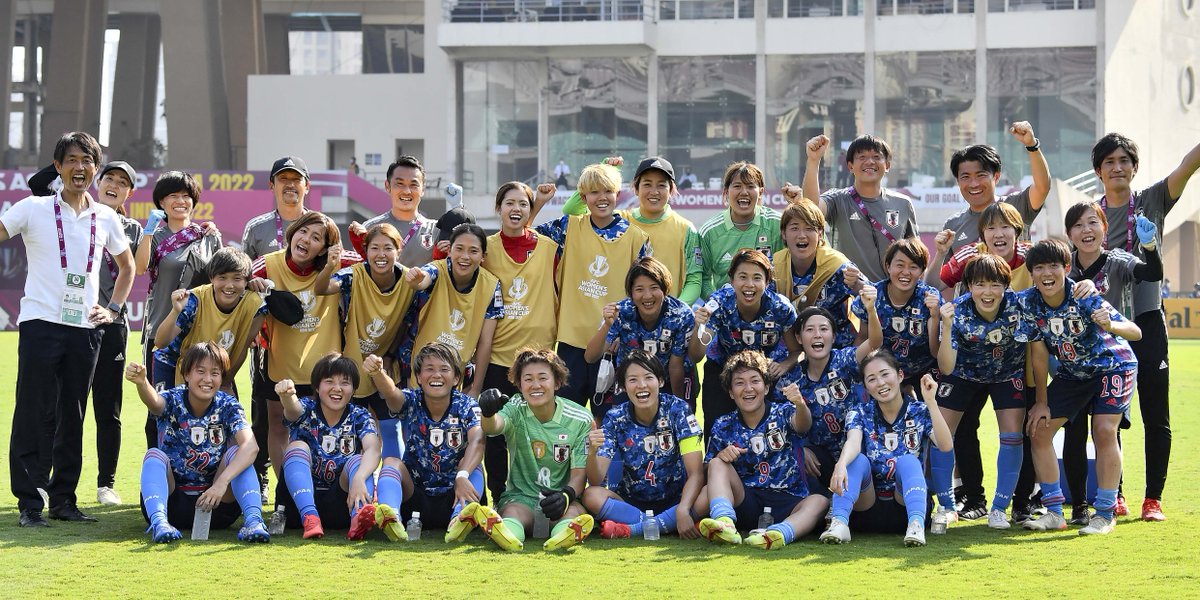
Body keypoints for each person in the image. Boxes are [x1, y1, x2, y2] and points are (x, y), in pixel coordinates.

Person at [2, 131, 135, 527]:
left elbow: (127, 267)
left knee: (72, 414)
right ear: (57, 167)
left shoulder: (106, 217)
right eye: (72, 160)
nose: (80, 167)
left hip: (85, 329)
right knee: (32, 412)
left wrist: (113, 309)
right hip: (40, 323)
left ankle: (63, 499)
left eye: (87, 161)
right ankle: (29, 503)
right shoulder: (33, 208)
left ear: (95, 169)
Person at [1090, 133, 1200, 521]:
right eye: (1109, 162)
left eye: (1124, 161)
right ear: (1099, 171)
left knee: (1156, 413)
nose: (1117, 167)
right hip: (1106, 327)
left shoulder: (1152, 200)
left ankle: (1152, 499)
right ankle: (1113, 494)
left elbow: (1189, 164)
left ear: (1134, 167)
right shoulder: (1090, 214)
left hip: (1149, 321)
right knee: (1108, 415)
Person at [1017, 239, 1141, 535]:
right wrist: (1042, 401)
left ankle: (1104, 513)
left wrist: (1111, 325)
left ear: (1067, 268)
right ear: (1031, 272)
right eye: (1039, 267)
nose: (1047, 273)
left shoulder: (1085, 295)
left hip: (1114, 365)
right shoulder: (1028, 302)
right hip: (1074, 373)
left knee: (1103, 430)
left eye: (1054, 266)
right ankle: (1055, 513)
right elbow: (1037, 353)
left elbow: (1134, 332)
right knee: (1040, 429)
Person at [249, 211, 361, 530]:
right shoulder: (267, 263)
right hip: (280, 366)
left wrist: (361, 241)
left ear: (324, 248)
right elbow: (238, 277)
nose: (307, 241)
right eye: (304, 232)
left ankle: (322, 498)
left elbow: (376, 259)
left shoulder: (337, 264)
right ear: (293, 232)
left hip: (324, 373)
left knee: (327, 435)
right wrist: (251, 285)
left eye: (317, 238)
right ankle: (287, 500)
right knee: (278, 428)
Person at [1063, 202, 1162, 524]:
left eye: (1093, 223)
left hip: (1112, 361)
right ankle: (1086, 502)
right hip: (1073, 365)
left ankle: (1117, 496)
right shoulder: (1064, 267)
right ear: (1069, 234)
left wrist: (1149, 246)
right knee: (1076, 433)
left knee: (1107, 428)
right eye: (1078, 225)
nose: (1086, 230)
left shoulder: (1118, 262)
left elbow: (1152, 273)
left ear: (1104, 228)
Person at [532, 163, 649, 414]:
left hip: (612, 344)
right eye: (593, 192)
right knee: (566, 418)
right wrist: (538, 202)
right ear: (583, 198)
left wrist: (622, 332)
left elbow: (642, 292)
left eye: (607, 191)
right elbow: (525, 239)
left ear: (618, 195)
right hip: (571, 342)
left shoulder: (637, 238)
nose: (601, 197)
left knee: (608, 422)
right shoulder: (568, 227)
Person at [125, 343, 268, 543]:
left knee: (238, 453)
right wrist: (142, 382)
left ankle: (254, 522)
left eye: (215, 373)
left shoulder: (228, 405)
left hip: (218, 504)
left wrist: (221, 483)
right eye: (200, 371)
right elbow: (155, 404)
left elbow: (251, 446)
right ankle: (159, 523)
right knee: (154, 455)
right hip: (173, 505)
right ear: (186, 374)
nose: (207, 379)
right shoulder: (174, 398)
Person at [693, 350, 830, 550]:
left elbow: (803, 425)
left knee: (819, 501)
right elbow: (708, 472)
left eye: (755, 381)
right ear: (731, 392)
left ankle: (779, 534)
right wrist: (722, 456)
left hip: (788, 499)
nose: (748, 388)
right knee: (716, 463)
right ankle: (725, 523)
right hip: (747, 500)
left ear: (766, 387)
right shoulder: (723, 424)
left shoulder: (782, 412)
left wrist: (800, 404)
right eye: (739, 383)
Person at [932, 254, 1031, 531]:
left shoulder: (1020, 305)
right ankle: (947, 506)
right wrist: (948, 325)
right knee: (942, 435)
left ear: (1006, 286)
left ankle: (999, 509)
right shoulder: (957, 311)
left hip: (1007, 375)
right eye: (980, 285)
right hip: (963, 374)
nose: (988, 292)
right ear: (969, 286)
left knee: (1012, 436)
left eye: (995, 284)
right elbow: (945, 366)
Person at [819, 352, 953, 547]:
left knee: (908, 461)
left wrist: (931, 402)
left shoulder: (919, 410)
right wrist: (840, 465)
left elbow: (946, 445)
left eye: (885, 374)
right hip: (867, 508)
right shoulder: (860, 411)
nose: (880, 383)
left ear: (899, 375)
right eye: (871, 379)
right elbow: (853, 442)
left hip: (906, 506)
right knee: (857, 460)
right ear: (866, 386)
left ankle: (915, 526)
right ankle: (839, 522)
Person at [481, 181, 560, 505]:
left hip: (540, 358)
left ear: (530, 212)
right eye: (509, 203)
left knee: (537, 435)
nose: (516, 209)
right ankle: (500, 497)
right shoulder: (484, 250)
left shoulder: (550, 248)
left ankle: (541, 499)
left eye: (523, 204)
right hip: (499, 358)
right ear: (498, 208)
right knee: (495, 436)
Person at [315, 223, 415, 476]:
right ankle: (351, 482)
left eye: (388, 248)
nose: (381, 254)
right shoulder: (354, 275)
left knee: (390, 425)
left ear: (398, 251)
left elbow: (409, 320)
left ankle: (395, 483)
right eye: (374, 248)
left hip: (384, 364)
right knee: (352, 429)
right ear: (365, 251)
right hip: (352, 366)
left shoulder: (408, 280)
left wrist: (392, 354)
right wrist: (329, 266)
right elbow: (321, 288)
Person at [474, 349, 595, 552]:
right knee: (512, 512)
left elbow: (579, 474)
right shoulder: (515, 407)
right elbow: (493, 427)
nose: (535, 385)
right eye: (528, 379)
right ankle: (508, 535)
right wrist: (488, 412)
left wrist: (565, 496)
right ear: (520, 385)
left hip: (561, 501)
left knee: (572, 513)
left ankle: (564, 535)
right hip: (521, 499)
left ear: (557, 382)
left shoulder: (580, 419)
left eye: (542, 378)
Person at [242, 155, 312, 503]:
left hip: (312, 336)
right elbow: (244, 280)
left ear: (306, 186)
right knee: (266, 412)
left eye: (295, 179)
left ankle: (313, 482)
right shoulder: (257, 229)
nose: (289, 185)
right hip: (268, 338)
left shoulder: (321, 225)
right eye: (282, 179)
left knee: (313, 412)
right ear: (272, 185)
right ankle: (266, 478)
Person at [365, 343, 486, 542]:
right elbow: (392, 394)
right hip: (415, 495)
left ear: (456, 378)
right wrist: (378, 372)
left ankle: (460, 519)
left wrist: (462, 476)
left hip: (456, 492)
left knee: (475, 468)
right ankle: (392, 518)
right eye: (429, 369)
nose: (436, 375)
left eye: (444, 369)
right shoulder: (411, 400)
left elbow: (478, 440)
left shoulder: (467, 405)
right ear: (419, 377)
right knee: (391, 462)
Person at [583, 351, 705, 539]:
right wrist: (591, 453)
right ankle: (662, 525)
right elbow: (597, 480)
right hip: (630, 503)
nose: (641, 385)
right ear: (623, 386)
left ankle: (633, 530)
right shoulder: (615, 417)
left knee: (708, 492)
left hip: (676, 500)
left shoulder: (678, 409)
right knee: (591, 496)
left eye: (649, 377)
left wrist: (683, 509)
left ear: (661, 381)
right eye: (632, 380)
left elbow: (696, 473)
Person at [776, 285, 882, 496]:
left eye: (824, 329)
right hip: (822, 456)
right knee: (795, 457)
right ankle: (821, 503)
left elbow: (874, 343)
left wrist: (871, 311)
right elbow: (781, 423)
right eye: (810, 330)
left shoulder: (844, 360)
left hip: (860, 450)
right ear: (798, 338)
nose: (817, 335)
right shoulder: (791, 379)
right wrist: (800, 448)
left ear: (833, 337)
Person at [927, 123, 1051, 293]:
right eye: (966, 177)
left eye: (981, 175)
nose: (974, 183)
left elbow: (1043, 187)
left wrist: (1032, 146)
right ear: (958, 181)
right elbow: (939, 284)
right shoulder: (954, 224)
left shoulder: (1015, 206)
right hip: (975, 315)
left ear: (996, 176)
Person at [690, 249, 799, 440]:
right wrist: (699, 326)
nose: (749, 285)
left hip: (767, 372)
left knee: (776, 430)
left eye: (757, 278)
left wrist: (783, 365)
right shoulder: (720, 303)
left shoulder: (780, 308)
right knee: (717, 429)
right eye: (742, 277)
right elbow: (696, 355)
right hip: (723, 369)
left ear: (767, 282)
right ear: (732, 280)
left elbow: (797, 351)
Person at [562, 156, 704, 304]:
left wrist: (674, 310)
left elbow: (694, 280)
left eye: (661, 185)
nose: (654, 192)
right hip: (620, 317)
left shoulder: (686, 229)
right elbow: (571, 210)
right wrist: (604, 172)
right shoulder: (618, 221)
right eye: (647, 184)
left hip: (667, 321)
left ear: (671, 190)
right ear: (635, 188)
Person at [277, 353, 382, 540]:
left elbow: (373, 448)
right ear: (317, 387)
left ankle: (359, 517)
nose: (337, 388)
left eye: (345, 382)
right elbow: (293, 411)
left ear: (354, 389)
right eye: (329, 381)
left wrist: (359, 477)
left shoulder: (359, 415)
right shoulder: (307, 409)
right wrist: (287, 396)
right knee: (297, 446)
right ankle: (310, 517)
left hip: (342, 502)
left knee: (358, 460)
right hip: (298, 504)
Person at [90, 160, 143, 507]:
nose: (114, 184)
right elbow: (40, 182)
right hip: (73, 322)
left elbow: (144, 263)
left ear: (129, 193)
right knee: (66, 406)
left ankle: (106, 484)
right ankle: (54, 481)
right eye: (108, 177)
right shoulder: (76, 214)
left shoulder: (133, 229)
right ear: (98, 181)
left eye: (122, 182)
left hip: (113, 323)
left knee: (108, 408)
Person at [403, 223, 503, 398]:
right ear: (449, 250)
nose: (465, 256)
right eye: (459, 249)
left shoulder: (492, 286)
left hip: (455, 378)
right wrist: (416, 280)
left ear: (483, 256)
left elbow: (485, 342)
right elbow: (424, 278)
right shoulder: (437, 270)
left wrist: (476, 388)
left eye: (473, 251)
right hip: (421, 373)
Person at [801, 134, 918, 282]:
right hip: (848, 294)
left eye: (876, 157)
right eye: (862, 157)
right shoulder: (838, 199)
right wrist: (813, 160)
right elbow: (811, 209)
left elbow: (915, 253)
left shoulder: (903, 203)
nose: (869, 162)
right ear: (850, 166)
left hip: (890, 297)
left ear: (887, 165)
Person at [152, 247, 267, 389]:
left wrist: (225, 384)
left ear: (247, 281)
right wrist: (175, 311)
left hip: (214, 370)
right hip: (174, 363)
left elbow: (241, 349)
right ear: (212, 278)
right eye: (222, 278)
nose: (229, 285)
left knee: (229, 409)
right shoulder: (193, 301)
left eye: (237, 278)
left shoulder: (256, 306)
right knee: (166, 410)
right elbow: (160, 342)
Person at [586, 257, 695, 403]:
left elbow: (676, 366)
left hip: (669, 381)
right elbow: (590, 357)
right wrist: (606, 325)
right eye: (639, 289)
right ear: (631, 293)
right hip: (631, 382)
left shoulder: (680, 315)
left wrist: (677, 405)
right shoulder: (621, 311)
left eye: (654, 287)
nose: (647, 295)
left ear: (665, 289)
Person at [852, 238, 943, 390]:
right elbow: (862, 338)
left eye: (914, 267)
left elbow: (935, 351)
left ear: (922, 272)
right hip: (883, 374)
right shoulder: (872, 296)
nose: (906, 272)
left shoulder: (929, 298)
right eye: (899, 265)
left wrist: (935, 316)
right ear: (888, 266)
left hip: (923, 373)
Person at [769, 200, 862, 349]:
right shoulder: (772, 267)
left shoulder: (839, 266)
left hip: (836, 351)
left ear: (820, 233)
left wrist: (856, 353)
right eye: (794, 228)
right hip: (789, 350)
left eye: (809, 228)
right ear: (783, 234)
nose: (802, 235)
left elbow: (874, 300)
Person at [698, 161, 784, 298]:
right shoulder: (709, 232)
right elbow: (703, 278)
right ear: (726, 191)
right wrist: (719, 304)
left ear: (761, 192)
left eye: (750, 186)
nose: (744, 192)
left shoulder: (777, 224)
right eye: (737, 186)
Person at [350, 155, 439, 268]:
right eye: (400, 184)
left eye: (413, 185)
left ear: (423, 190)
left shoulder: (436, 231)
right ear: (387, 186)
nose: (407, 191)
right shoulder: (370, 228)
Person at [936, 202, 1032, 293]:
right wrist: (940, 254)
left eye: (1005, 227)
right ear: (982, 234)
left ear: (1016, 230)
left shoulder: (1030, 255)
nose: (999, 234)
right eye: (991, 228)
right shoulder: (971, 255)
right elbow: (933, 286)